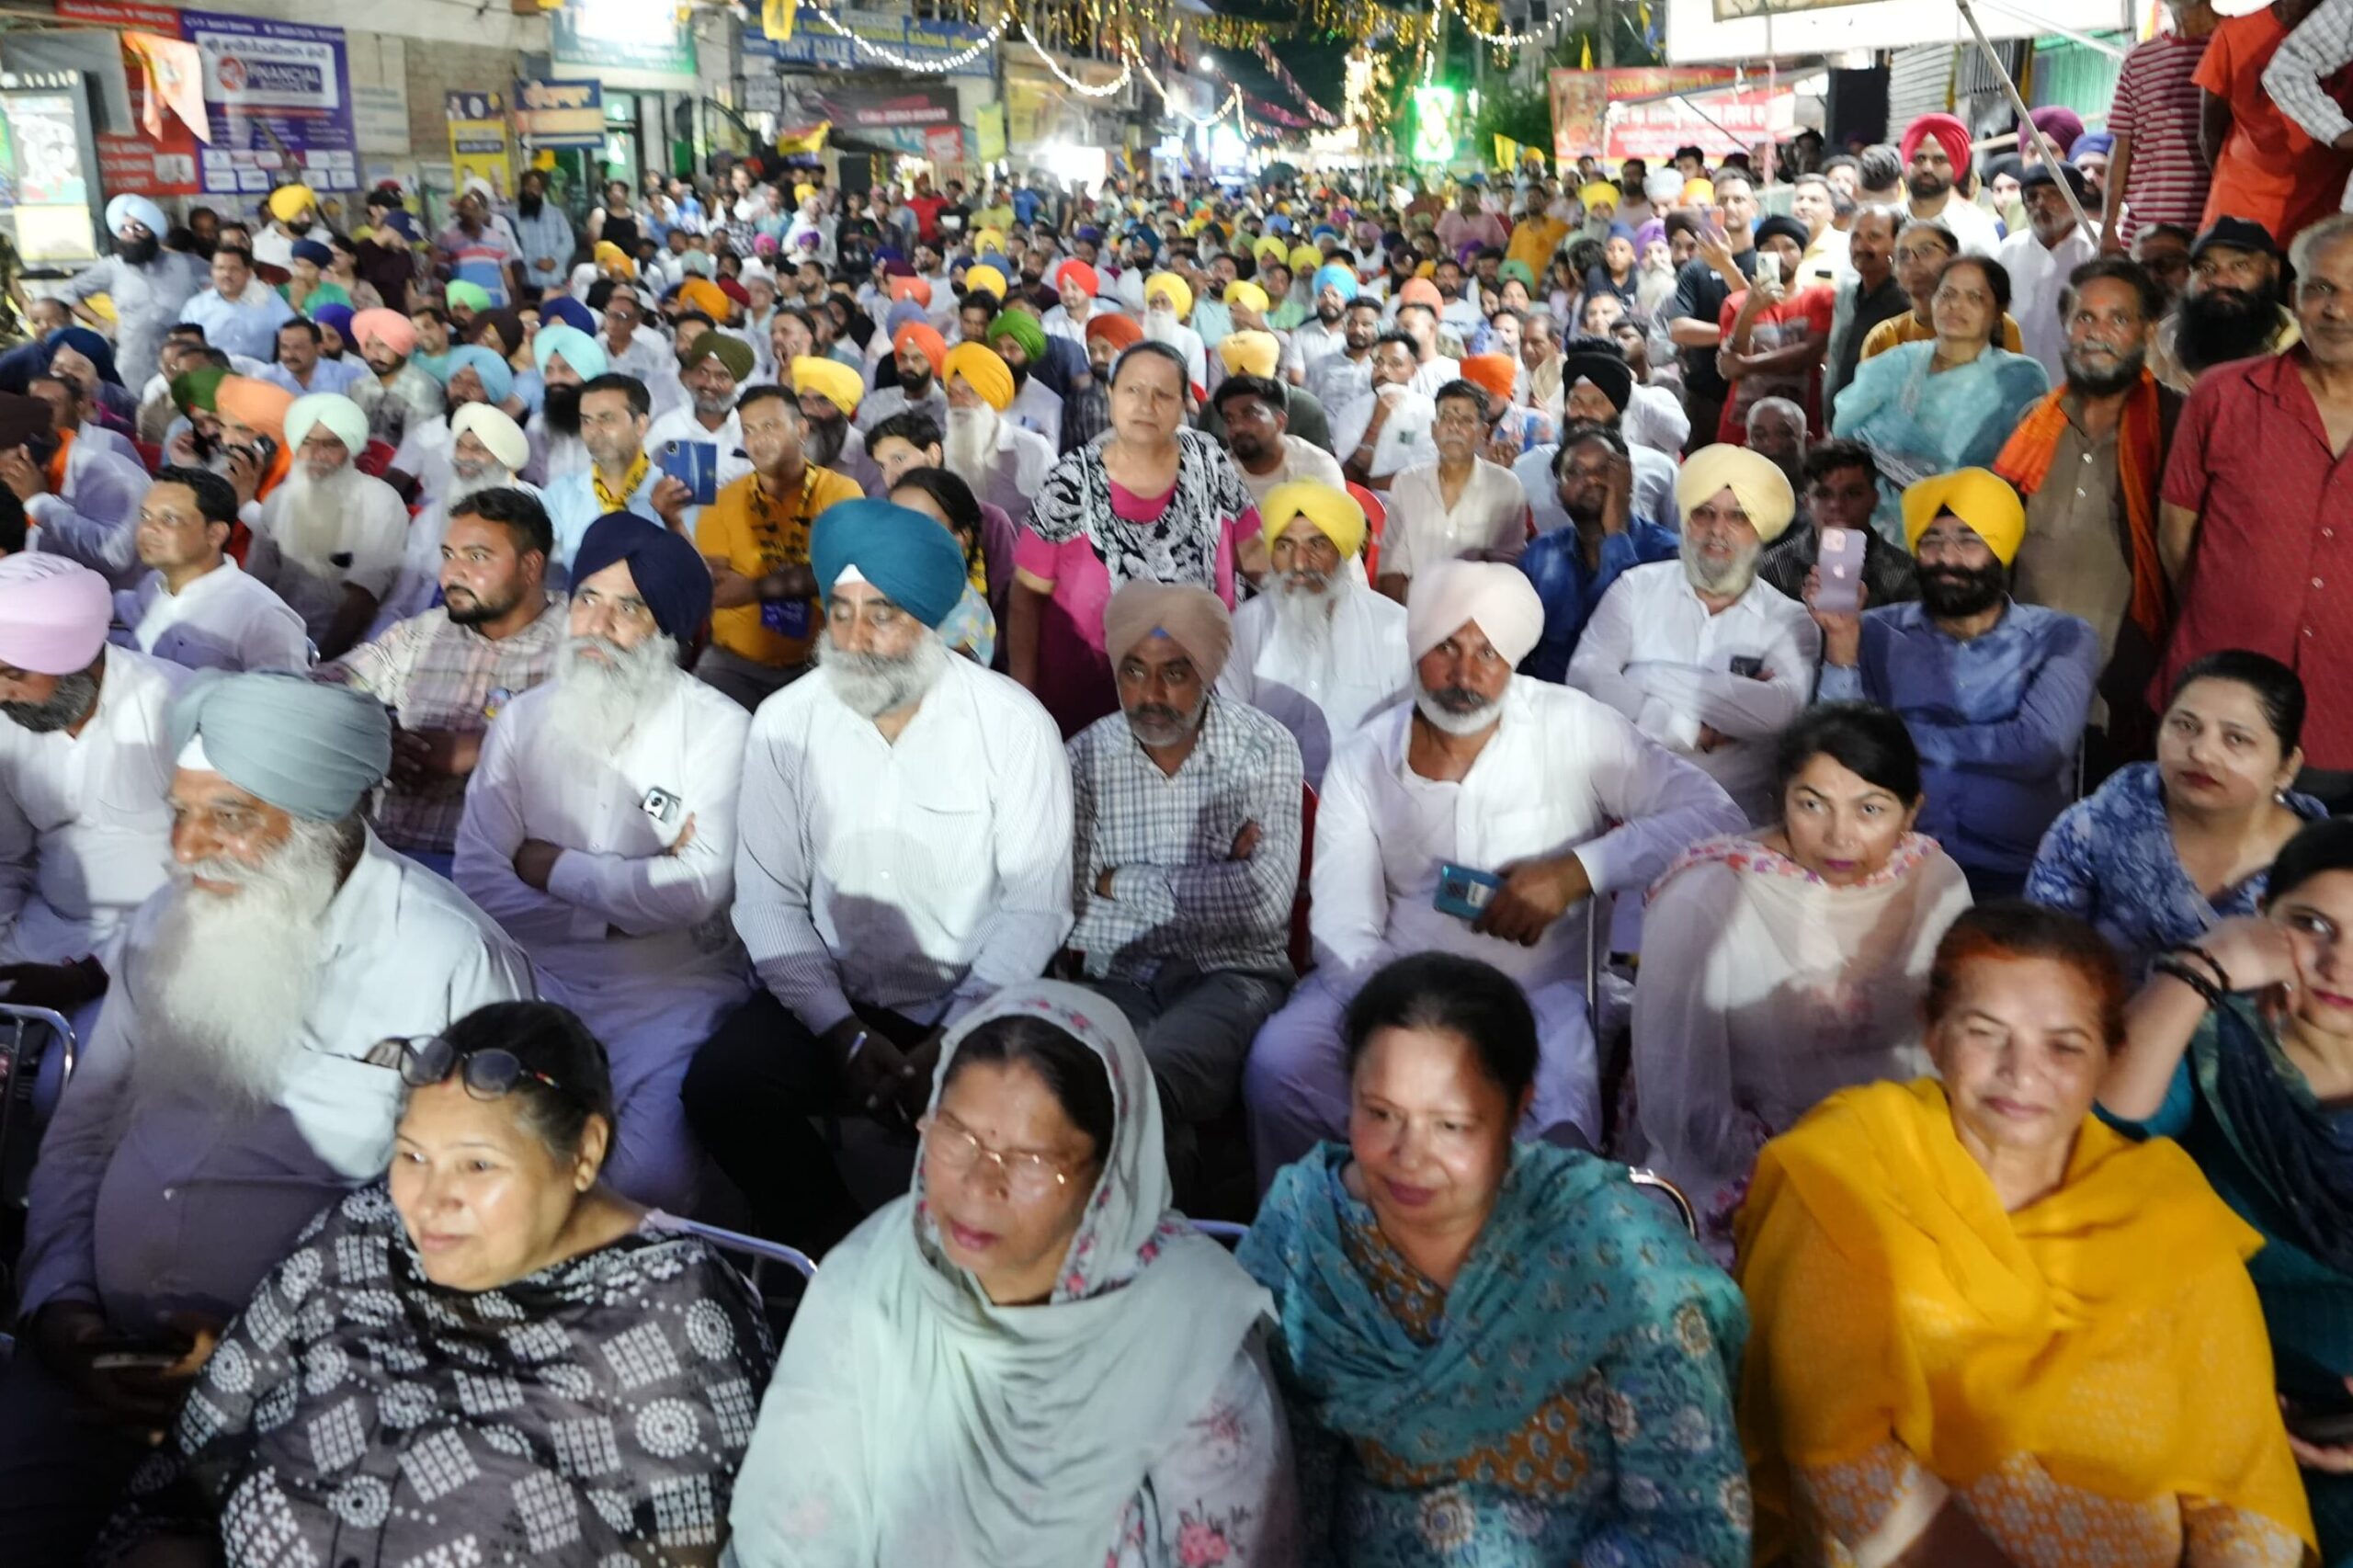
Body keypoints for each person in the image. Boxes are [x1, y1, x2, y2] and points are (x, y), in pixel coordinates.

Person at [0, 673, 531, 1561]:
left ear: (326, 820)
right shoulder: (168, 921)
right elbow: (85, 1135)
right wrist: (62, 1309)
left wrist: (267, 1361)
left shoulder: (453, 961)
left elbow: (489, 1234)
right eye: (179, 812)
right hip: (100, 1364)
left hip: (329, 1393)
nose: (185, 847)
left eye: (230, 817)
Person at [88, 1001, 777, 1567]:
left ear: (584, 1154)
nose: (429, 1201)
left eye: (477, 1166)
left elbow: (697, 1551)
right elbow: (188, 1470)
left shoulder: (674, 1311)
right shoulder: (361, 1234)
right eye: (413, 1156)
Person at [1739, 902, 2317, 1566]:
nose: (2022, 1072)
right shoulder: (1848, 1171)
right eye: (1985, 1033)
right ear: (1933, 1033)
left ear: (2110, 1056)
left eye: (2064, 1046)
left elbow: (2243, 1477)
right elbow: (1839, 1456)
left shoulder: (2166, 1207)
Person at [725, 981, 1296, 1565]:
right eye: (956, 1134)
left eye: (1031, 1160)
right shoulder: (870, 1279)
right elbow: (795, 1530)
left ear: (1108, 1173)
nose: (978, 1186)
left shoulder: (1190, 1336)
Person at [1240, 951, 1750, 1565]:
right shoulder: (1308, 1236)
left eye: (1451, 1125)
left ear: (1518, 1108)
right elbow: (1283, 1493)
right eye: (1380, 1114)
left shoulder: (1614, 1253)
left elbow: (1693, 1528)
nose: (1410, 1155)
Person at [1244, 562, 1743, 1179]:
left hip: (1537, 996)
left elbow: (1715, 816)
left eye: (1488, 651)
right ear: (1416, 647)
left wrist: (1579, 870)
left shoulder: (1574, 725)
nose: (1465, 674)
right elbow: (1345, 925)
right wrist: (1406, 1017)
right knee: (1280, 1068)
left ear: (1514, 657)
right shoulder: (1364, 758)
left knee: (1551, 1146)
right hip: (1395, 983)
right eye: (1446, 648)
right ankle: (1325, 1220)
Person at [685, 499, 1072, 1255]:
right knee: (722, 1087)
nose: (856, 639)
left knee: (1028, 1123)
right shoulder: (785, 723)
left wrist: (955, 1037)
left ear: (928, 620)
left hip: (976, 999)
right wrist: (841, 1032)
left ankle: (967, 1270)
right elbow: (767, 900)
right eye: (841, 612)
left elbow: (1036, 909)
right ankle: (839, 1254)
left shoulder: (1014, 726)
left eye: (883, 614)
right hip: (833, 996)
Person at [455, 517, 745, 1212]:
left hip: (670, 993)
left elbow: (698, 891)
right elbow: (479, 881)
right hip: (536, 978)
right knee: (490, 1154)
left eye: (629, 608)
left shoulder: (720, 729)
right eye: (586, 599)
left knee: (647, 1184)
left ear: (668, 632)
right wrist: (619, 911)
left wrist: (552, 866)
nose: (598, 626)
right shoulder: (523, 721)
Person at [1632, 704, 1972, 1256]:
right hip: (1750, 1170)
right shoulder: (1708, 897)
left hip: (1900, 1152)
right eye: (1812, 805)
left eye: (1870, 809)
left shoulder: (1933, 881)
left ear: (1912, 812)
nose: (1839, 837)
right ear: (1781, 799)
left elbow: (1952, 1052)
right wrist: (1806, 1170)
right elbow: (1685, 1109)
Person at [1068, 582, 1302, 1200]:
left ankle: (1140, 1240)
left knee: (1141, 1076)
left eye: (1174, 673)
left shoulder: (1264, 748)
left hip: (1234, 977)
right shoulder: (1084, 758)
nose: (1150, 695)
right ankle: (1166, 1236)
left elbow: (1265, 904)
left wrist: (1116, 880)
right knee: (1085, 1076)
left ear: (1208, 670)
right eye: (1133, 671)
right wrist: (1217, 882)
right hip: (1119, 977)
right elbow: (1069, 911)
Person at [1813, 469, 2099, 898]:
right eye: (1931, 541)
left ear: (2000, 549)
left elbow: (2039, 747)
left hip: (2020, 874)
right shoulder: (1871, 631)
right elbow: (1839, 743)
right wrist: (1840, 640)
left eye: (1969, 540)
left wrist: (1892, 737)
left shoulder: (2061, 637)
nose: (1947, 557)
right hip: (1896, 864)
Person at [2159, 215, 2353, 807]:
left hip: (2342, 726)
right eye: (2321, 289)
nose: (2337, 310)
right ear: (2293, 295)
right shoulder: (2222, 395)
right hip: (2216, 719)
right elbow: (2177, 539)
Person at [1013, 341, 1258, 738]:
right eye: (1133, 390)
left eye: (1163, 394)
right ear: (1110, 395)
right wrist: (1024, 701)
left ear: (1184, 404)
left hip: (1196, 693)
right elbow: (1026, 597)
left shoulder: (1209, 461)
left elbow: (1252, 553)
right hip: (1089, 698)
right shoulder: (1071, 481)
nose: (1147, 405)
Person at [2029, 650, 2323, 982]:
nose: (2201, 752)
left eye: (2236, 739)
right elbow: (2041, 956)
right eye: (2185, 726)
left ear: (2287, 767)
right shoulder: (2094, 827)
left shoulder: (2325, 870)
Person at [1569, 445, 1822, 824]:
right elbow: (1587, 680)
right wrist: (1690, 729)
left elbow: (1779, 712)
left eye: (1738, 517)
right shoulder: (1636, 588)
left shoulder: (1790, 619)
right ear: (1686, 522)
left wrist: (1641, 675)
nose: (1717, 530)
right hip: (1628, 811)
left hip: (1737, 822)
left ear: (1760, 532)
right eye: (1704, 513)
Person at [321, 485, 564, 877]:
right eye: (448, 555)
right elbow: (321, 690)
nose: (452, 574)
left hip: (495, 877)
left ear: (531, 566)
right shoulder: (423, 633)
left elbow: (605, 751)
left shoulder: (574, 645)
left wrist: (484, 750)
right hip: (380, 859)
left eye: (477, 557)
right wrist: (377, 739)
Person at [1997, 256, 2179, 767]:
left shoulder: (2177, 426)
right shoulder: (2034, 422)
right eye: (2085, 318)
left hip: (2119, 689)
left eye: (2118, 319)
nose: (2097, 334)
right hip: (2020, 672)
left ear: (2147, 331)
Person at [0, 555, 180, 1028]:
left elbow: (210, 880)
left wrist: (86, 975)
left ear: (79, 658)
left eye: (12, 674)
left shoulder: (171, 705)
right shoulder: (5, 721)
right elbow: (8, 859)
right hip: (43, 927)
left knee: (80, 1066)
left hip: (156, 943)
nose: (2, 693)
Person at [1834, 256, 2052, 539]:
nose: (1955, 306)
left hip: (1963, 540)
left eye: (1974, 298)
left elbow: (2024, 472)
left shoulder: (2019, 379)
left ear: (1999, 311)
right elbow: (1844, 433)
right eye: (1947, 294)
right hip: (1869, 532)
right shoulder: (1895, 363)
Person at [1220, 482, 1411, 788]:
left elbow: (1410, 742)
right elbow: (1229, 739)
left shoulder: (1395, 629)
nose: (1299, 562)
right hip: (1270, 800)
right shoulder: (1243, 630)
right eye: (1285, 546)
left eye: (1317, 545)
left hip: (1368, 800)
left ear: (1342, 550)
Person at [691, 384, 865, 711]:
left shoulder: (840, 491)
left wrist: (754, 588)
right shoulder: (724, 500)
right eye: (749, 430)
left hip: (819, 665)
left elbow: (841, 572)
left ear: (801, 429)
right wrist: (801, 578)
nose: (758, 440)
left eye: (770, 426)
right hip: (734, 665)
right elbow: (720, 589)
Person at [244, 392, 409, 661]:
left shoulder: (380, 502)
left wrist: (320, 666)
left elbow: (362, 600)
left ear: (350, 448)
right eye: (306, 442)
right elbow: (256, 585)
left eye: (331, 444)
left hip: (345, 657)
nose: (315, 455)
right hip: (273, 647)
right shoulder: (279, 500)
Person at [1518, 421, 1681, 683]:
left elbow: (1632, 636)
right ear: (1559, 490)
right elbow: (1519, 650)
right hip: (1551, 699)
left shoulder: (1666, 553)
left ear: (1628, 479)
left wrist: (1616, 532)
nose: (1591, 479)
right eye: (1575, 472)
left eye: (1605, 470)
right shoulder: (1541, 554)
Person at [115, 465, 307, 674]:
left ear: (215, 534)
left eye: (169, 519)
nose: (148, 529)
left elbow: (281, 692)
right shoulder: (153, 584)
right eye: (145, 516)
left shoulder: (263, 618)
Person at [2199, 0, 2353, 252]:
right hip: (2244, 208)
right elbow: (2209, 133)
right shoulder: (2234, 34)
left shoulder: (2339, 31)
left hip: (2322, 208)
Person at [1376, 379, 1530, 599]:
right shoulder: (1407, 483)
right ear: (1433, 429)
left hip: (1477, 610)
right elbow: (1393, 563)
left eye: (1466, 420)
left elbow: (1507, 568)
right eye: (1446, 418)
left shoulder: (1506, 486)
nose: (1454, 427)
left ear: (1483, 431)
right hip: (1415, 609)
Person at [56, 196, 208, 390]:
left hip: (183, 361)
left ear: (153, 230)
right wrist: (101, 322)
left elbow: (221, 283)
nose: (131, 234)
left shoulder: (186, 264)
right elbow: (67, 292)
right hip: (134, 365)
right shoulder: (112, 267)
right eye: (124, 229)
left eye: (139, 228)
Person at [2102, 0, 2218, 252]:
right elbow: (2121, 149)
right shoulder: (2138, 59)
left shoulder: (2234, 43)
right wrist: (2109, 226)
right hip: (2146, 227)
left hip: (2215, 222)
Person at [1756, 437, 1919, 607]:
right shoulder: (1773, 570)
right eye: (1824, 494)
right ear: (1807, 503)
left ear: (1874, 499)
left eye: (1852, 493)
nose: (1837, 505)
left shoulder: (1906, 573)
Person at [540, 373, 672, 579]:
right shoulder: (562, 493)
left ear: (640, 425)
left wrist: (673, 522)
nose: (594, 431)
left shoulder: (673, 493)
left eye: (607, 418)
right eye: (586, 421)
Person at [2150, 216, 2302, 392]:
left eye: (2240, 266)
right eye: (2206, 268)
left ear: (2273, 269)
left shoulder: (2304, 346)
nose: (2220, 280)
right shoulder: (2159, 343)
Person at [1666, 171, 1763, 447]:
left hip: (1755, 390)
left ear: (1754, 207)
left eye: (1738, 199)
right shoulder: (1695, 268)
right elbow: (1679, 329)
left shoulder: (1766, 260)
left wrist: (1726, 267)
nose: (1730, 206)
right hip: (1704, 394)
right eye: (1722, 200)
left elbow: (1765, 320)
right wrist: (1734, 333)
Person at [1858, 220, 2028, 362]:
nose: (1912, 261)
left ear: (1953, 256)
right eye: (1902, 255)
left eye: (1925, 251)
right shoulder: (1884, 338)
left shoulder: (1996, 324)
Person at [1998, 164, 2102, 381]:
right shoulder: (2009, 250)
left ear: (2076, 199)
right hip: (2019, 382)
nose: (2041, 204)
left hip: (2082, 382)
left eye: (2053, 194)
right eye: (2032, 197)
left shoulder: (2099, 247)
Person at [1212, 373, 1347, 507]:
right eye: (1229, 419)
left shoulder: (1317, 467)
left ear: (1280, 421)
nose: (1237, 427)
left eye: (1249, 415)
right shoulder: (1216, 473)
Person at [1823, 207, 1908, 407]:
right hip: (1838, 416)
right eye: (1855, 237)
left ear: (1898, 243)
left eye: (1873, 237)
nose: (1861, 246)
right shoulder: (1845, 295)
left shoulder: (1907, 302)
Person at [1898, 112, 2004, 256]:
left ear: (1955, 167)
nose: (1927, 168)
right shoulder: (1886, 220)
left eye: (1939, 160)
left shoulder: (1975, 225)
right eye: (1920, 158)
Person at [347, 305, 446, 449]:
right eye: (367, 346)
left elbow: (424, 447)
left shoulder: (422, 387)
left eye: (382, 345)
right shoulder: (359, 386)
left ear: (400, 347)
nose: (374, 353)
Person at [180, 244, 297, 364]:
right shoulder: (196, 306)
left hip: (259, 373)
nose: (226, 274)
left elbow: (294, 333)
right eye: (220, 268)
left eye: (234, 269)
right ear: (212, 272)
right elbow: (183, 346)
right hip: (212, 372)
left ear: (248, 273)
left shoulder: (270, 299)